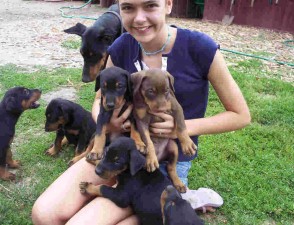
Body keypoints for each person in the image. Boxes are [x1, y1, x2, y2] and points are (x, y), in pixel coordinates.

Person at [31, 0, 251, 224]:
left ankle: (179, 200)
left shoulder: (200, 47)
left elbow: (240, 115)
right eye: (128, 8)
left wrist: (181, 128)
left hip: (159, 165)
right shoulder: (120, 47)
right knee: (44, 214)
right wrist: (106, 122)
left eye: (150, 6)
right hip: (116, 151)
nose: (138, 18)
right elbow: (99, 98)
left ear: (168, 4)